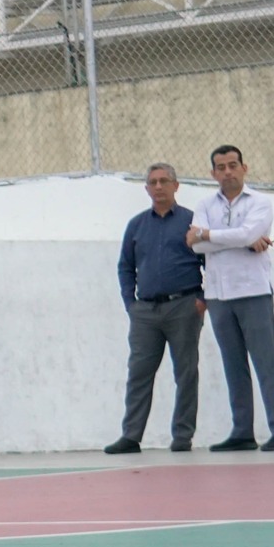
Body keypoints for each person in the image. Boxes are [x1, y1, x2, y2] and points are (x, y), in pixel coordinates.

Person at [189, 145, 274, 451]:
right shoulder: (205, 204)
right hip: (218, 295)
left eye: (233, 165)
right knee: (233, 365)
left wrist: (209, 234)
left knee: (265, 363)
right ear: (213, 173)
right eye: (221, 167)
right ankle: (242, 432)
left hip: (253, 292)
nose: (228, 172)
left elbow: (244, 234)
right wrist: (240, 239)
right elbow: (196, 246)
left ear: (244, 168)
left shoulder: (260, 202)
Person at [107, 163, 205, 454]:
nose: (159, 186)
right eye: (153, 182)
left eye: (164, 181)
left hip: (184, 306)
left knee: (185, 373)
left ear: (176, 186)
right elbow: (126, 267)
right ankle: (131, 436)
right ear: (146, 188)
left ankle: (182, 437)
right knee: (139, 373)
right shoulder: (136, 225)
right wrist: (131, 304)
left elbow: (211, 262)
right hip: (145, 312)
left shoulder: (192, 222)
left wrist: (203, 299)